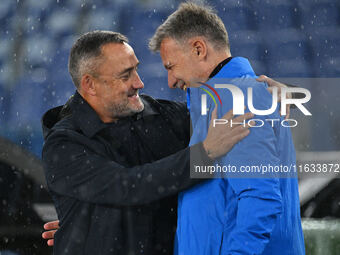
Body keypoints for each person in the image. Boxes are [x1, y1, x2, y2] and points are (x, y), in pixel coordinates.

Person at [41, 30, 255, 255]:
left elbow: (230, 111)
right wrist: (205, 153)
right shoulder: (63, 145)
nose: (139, 82)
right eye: (125, 76)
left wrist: (270, 93)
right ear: (90, 85)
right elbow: (128, 186)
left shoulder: (162, 116)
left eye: (136, 69)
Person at [148, 2, 305, 255]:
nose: (170, 81)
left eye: (170, 66)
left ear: (198, 49)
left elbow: (260, 199)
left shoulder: (236, 99)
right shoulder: (226, 100)